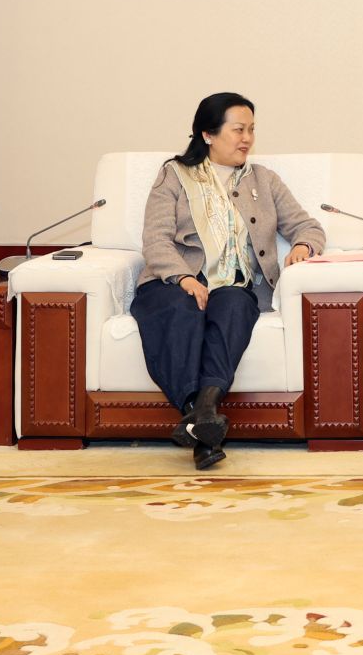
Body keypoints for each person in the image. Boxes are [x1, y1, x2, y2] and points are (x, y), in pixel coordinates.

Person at [131, 93, 324, 469]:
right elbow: (155, 240)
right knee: (181, 308)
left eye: (251, 129)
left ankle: (201, 414)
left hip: (233, 285)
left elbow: (307, 226)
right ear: (208, 134)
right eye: (238, 130)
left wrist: (303, 245)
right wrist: (184, 278)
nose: (247, 138)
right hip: (172, 283)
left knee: (236, 305)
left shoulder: (264, 180)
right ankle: (204, 419)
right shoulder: (173, 175)